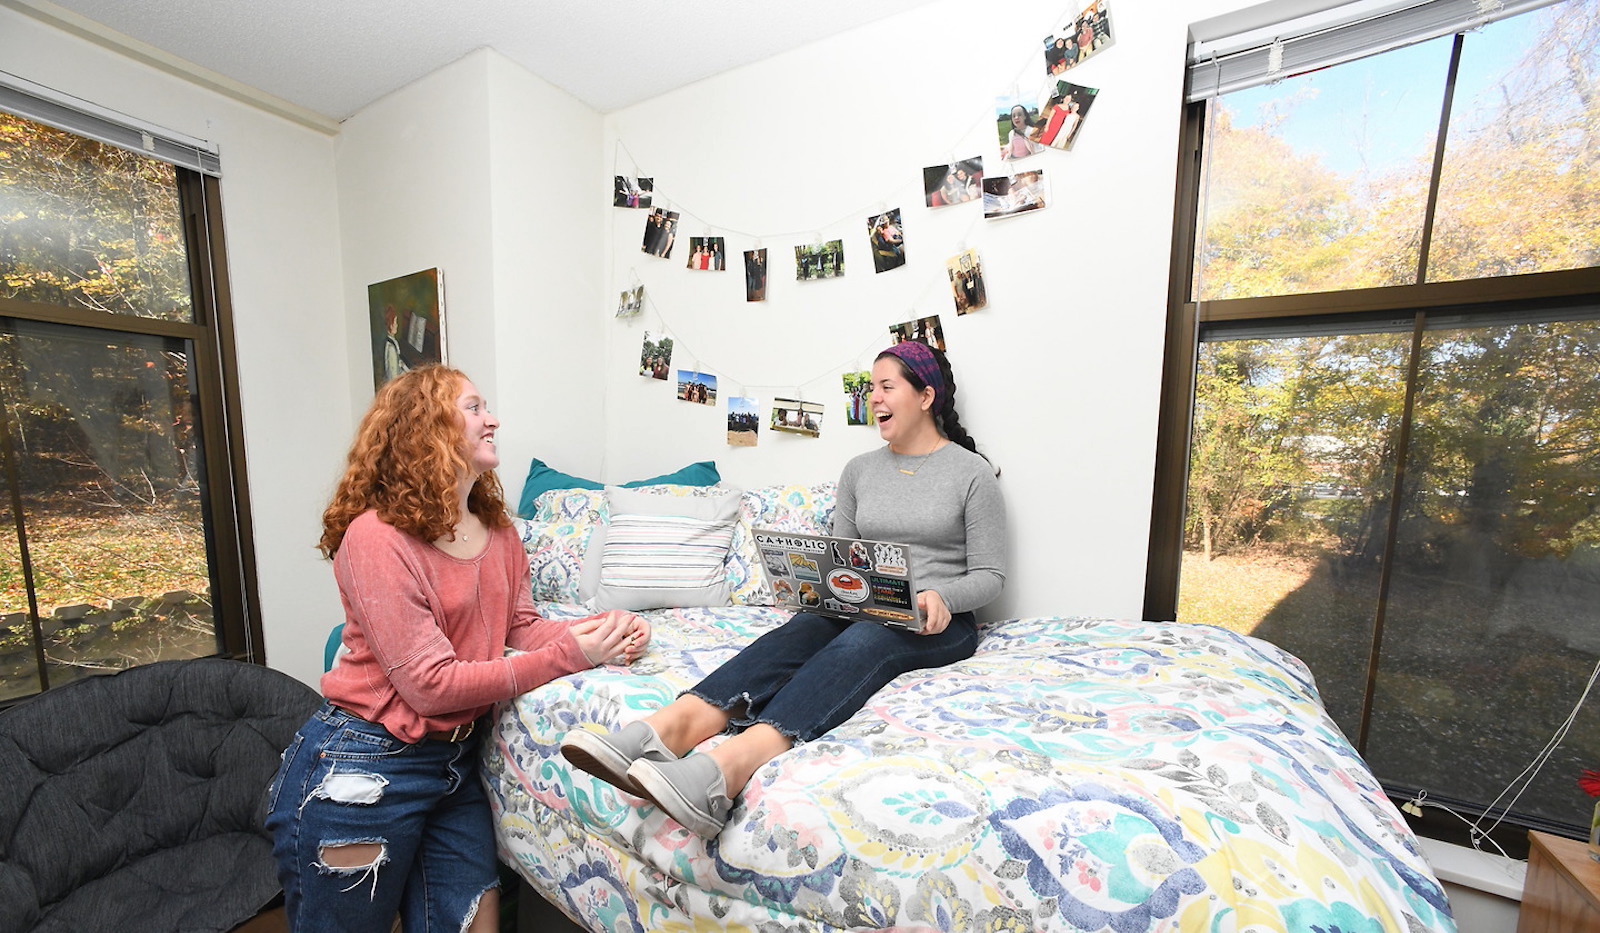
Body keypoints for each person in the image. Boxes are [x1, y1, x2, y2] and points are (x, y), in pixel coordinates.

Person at [559, 341, 1005, 838]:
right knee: (805, 629)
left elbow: (991, 575)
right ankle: (664, 730)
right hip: (869, 604)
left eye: (886, 387)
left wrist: (942, 598)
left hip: (937, 623)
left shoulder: (971, 472)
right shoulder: (860, 470)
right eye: (870, 387)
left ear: (925, 396)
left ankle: (722, 772)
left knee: (865, 642)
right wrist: (818, 587)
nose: (873, 398)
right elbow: (845, 561)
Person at [265, 365, 649, 932]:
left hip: (453, 766)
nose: (492, 419)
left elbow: (520, 626)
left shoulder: (498, 532)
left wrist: (598, 634)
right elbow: (430, 684)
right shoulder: (376, 537)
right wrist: (570, 656)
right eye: (474, 408)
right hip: (365, 765)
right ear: (425, 428)